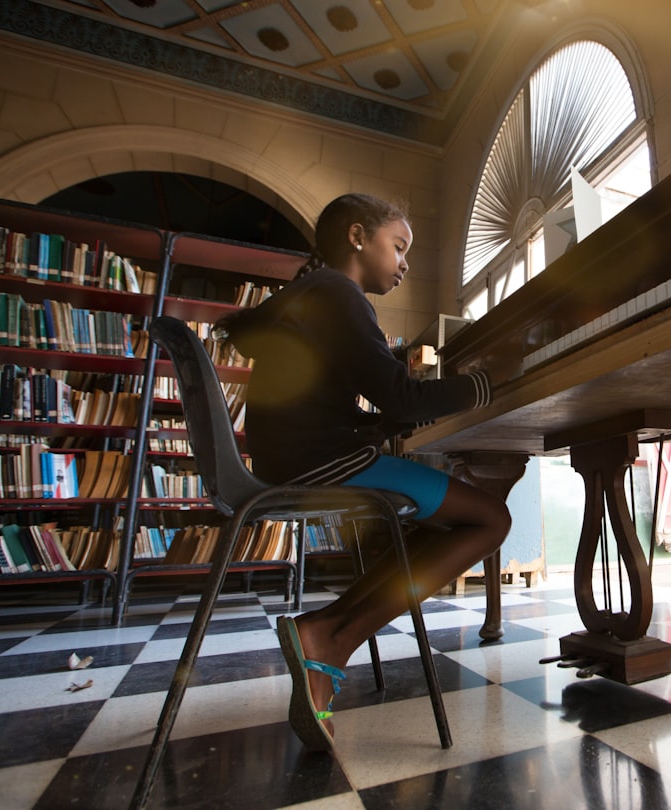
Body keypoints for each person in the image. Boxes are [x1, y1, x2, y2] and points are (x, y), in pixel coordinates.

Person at [216, 192, 511, 751]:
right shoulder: (338, 294)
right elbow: (401, 398)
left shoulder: (313, 294)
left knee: (437, 522)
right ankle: (333, 634)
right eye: (398, 247)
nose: (404, 264)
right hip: (325, 465)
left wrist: (376, 427)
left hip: (298, 459)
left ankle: (329, 630)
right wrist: (482, 384)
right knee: (490, 520)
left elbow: (334, 408)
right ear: (358, 237)